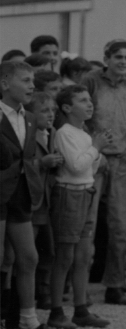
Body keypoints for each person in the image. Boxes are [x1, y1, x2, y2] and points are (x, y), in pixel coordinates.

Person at [0, 60, 64, 329]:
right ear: (4, 84)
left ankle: (28, 321)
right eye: (25, 81)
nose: (31, 86)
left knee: (29, 256)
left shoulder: (28, 117)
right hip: (0, 193)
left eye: (32, 81)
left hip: (21, 194)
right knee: (1, 258)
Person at [81, 39, 126, 304]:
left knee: (120, 226)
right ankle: (78, 287)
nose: (123, 61)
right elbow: (79, 117)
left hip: (121, 160)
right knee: (88, 225)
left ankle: (115, 285)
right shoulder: (91, 80)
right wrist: (94, 149)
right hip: (94, 161)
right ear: (106, 57)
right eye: (118, 57)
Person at [48, 85, 111, 329]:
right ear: (66, 107)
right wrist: (96, 148)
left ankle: (81, 308)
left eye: (89, 100)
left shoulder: (83, 133)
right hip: (69, 196)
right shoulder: (64, 133)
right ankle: (55, 311)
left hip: (86, 193)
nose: (89, 104)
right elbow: (75, 166)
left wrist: (96, 153)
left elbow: (89, 168)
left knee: (84, 255)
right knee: (65, 256)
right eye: (83, 101)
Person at [23, 92, 59, 311]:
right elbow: (23, 165)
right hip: (31, 199)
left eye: (53, 110)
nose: (51, 115)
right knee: (29, 251)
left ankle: (44, 292)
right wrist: (42, 163)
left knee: (48, 249)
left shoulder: (52, 133)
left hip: (48, 200)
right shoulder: (27, 134)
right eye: (45, 110)